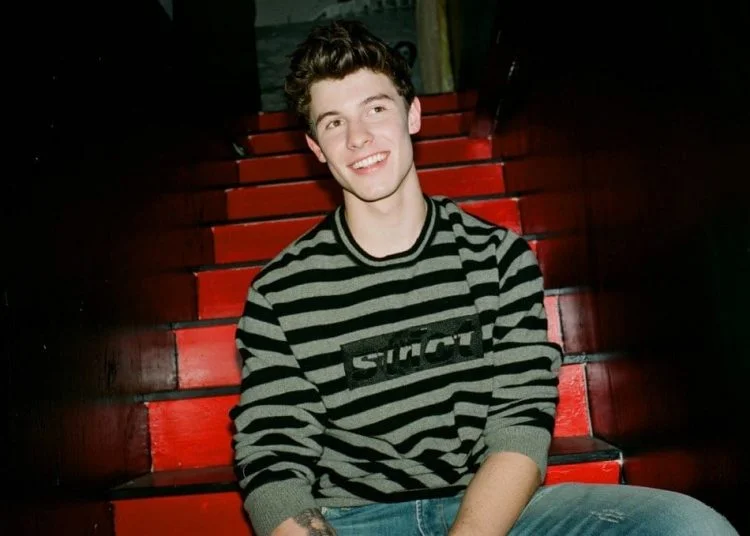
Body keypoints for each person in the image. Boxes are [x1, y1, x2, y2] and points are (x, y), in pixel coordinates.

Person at [229, 19, 739, 536]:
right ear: (316, 146)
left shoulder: (498, 258)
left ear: (412, 114)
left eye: (375, 109)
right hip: (355, 519)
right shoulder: (280, 293)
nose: (358, 138)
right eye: (334, 122)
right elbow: (272, 461)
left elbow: (519, 427)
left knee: (689, 526)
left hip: (492, 506)